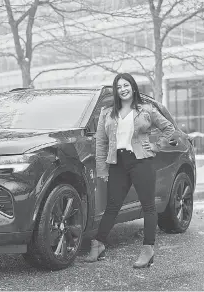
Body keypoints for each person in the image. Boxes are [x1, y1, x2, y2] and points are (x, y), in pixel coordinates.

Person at [85, 73, 175, 268]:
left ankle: (148, 249)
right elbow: (101, 142)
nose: (123, 89)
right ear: (116, 91)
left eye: (126, 85)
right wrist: (103, 169)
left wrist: (157, 146)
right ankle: (99, 244)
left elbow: (169, 129)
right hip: (118, 163)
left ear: (133, 87)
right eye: (119, 87)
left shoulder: (146, 110)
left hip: (141, 161)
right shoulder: (107, 113)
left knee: (148, 206)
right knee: (112, 205)